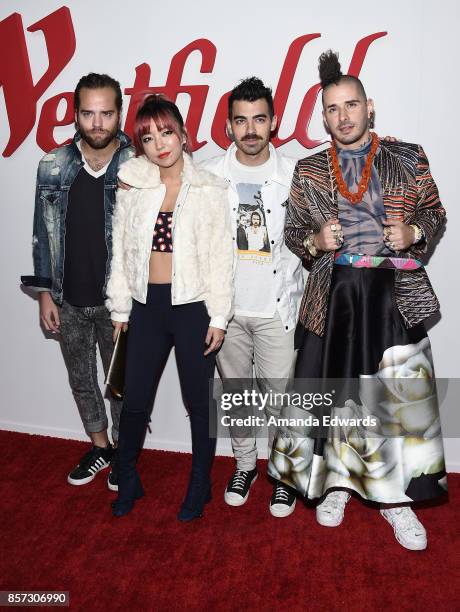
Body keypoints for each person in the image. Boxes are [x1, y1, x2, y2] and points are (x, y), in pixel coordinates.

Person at [268, 51, 447, 550]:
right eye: (332, 108)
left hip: (394, 296)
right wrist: (314, 243)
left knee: (395, 402)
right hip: (336, 298)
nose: (342, 116)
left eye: (351, 105)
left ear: (370, 107)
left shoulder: (408, 157)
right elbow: (293, 233)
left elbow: (434, 213)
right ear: (322, 115)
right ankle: (339, 486)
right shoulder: (308, 170)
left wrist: (413, 230)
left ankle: (397, 500)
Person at [106, 94, 233, 521]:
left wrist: (218, 315)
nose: (159, 143)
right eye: (147, 137)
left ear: (183, 133)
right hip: (146, 306)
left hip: (193, 307)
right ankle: (127, 476)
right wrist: (120, 309)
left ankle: (201, 484)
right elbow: (122, 252)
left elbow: (221, 257)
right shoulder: (135, 186)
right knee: (135, 399)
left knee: (200, 403)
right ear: (139, 145)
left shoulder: (210, 189)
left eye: (166, 131)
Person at [21, 73, 133, 491]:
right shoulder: (51, 164)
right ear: (76, 115)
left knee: (120, 385)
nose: (98, 123)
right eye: (89, 113)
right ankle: (101, 447)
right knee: (81, 380)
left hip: (119, 302)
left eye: (106, 113)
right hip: (68, 299)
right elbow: (41, 233)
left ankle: (124, 452)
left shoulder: (137, 165)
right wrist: (43, 294)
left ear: (119, 113)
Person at [203, 77, 304, 517]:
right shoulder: (208, 175)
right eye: (241, 121)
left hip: (279, 308)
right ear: (228, 126)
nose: (250, 130)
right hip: (228, 312)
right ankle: (245, 465)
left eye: (259, 119)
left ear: (273, 122)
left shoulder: (297, 175)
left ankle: (281, 474)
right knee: (238, 396)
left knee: (283, 399)